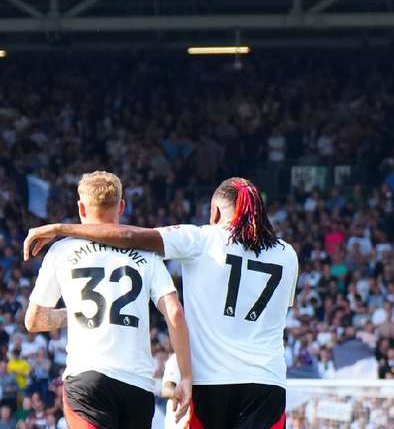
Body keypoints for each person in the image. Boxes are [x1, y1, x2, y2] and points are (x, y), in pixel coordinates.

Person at [25, 177, 299, 429]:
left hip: (210, 382)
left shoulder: (201, 238)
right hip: (267, 382)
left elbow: (130, 236)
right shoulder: (288, 255)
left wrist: (60, 228)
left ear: (215, 212)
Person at [24, 171, 192, 429]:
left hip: (88, 380)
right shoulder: (147, 254)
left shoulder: (62, 249)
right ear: (121, 207)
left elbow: (34, 321)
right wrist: (186, 376)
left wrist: (78, 312)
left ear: (81, 207)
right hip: (137, 386)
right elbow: (175, 313)